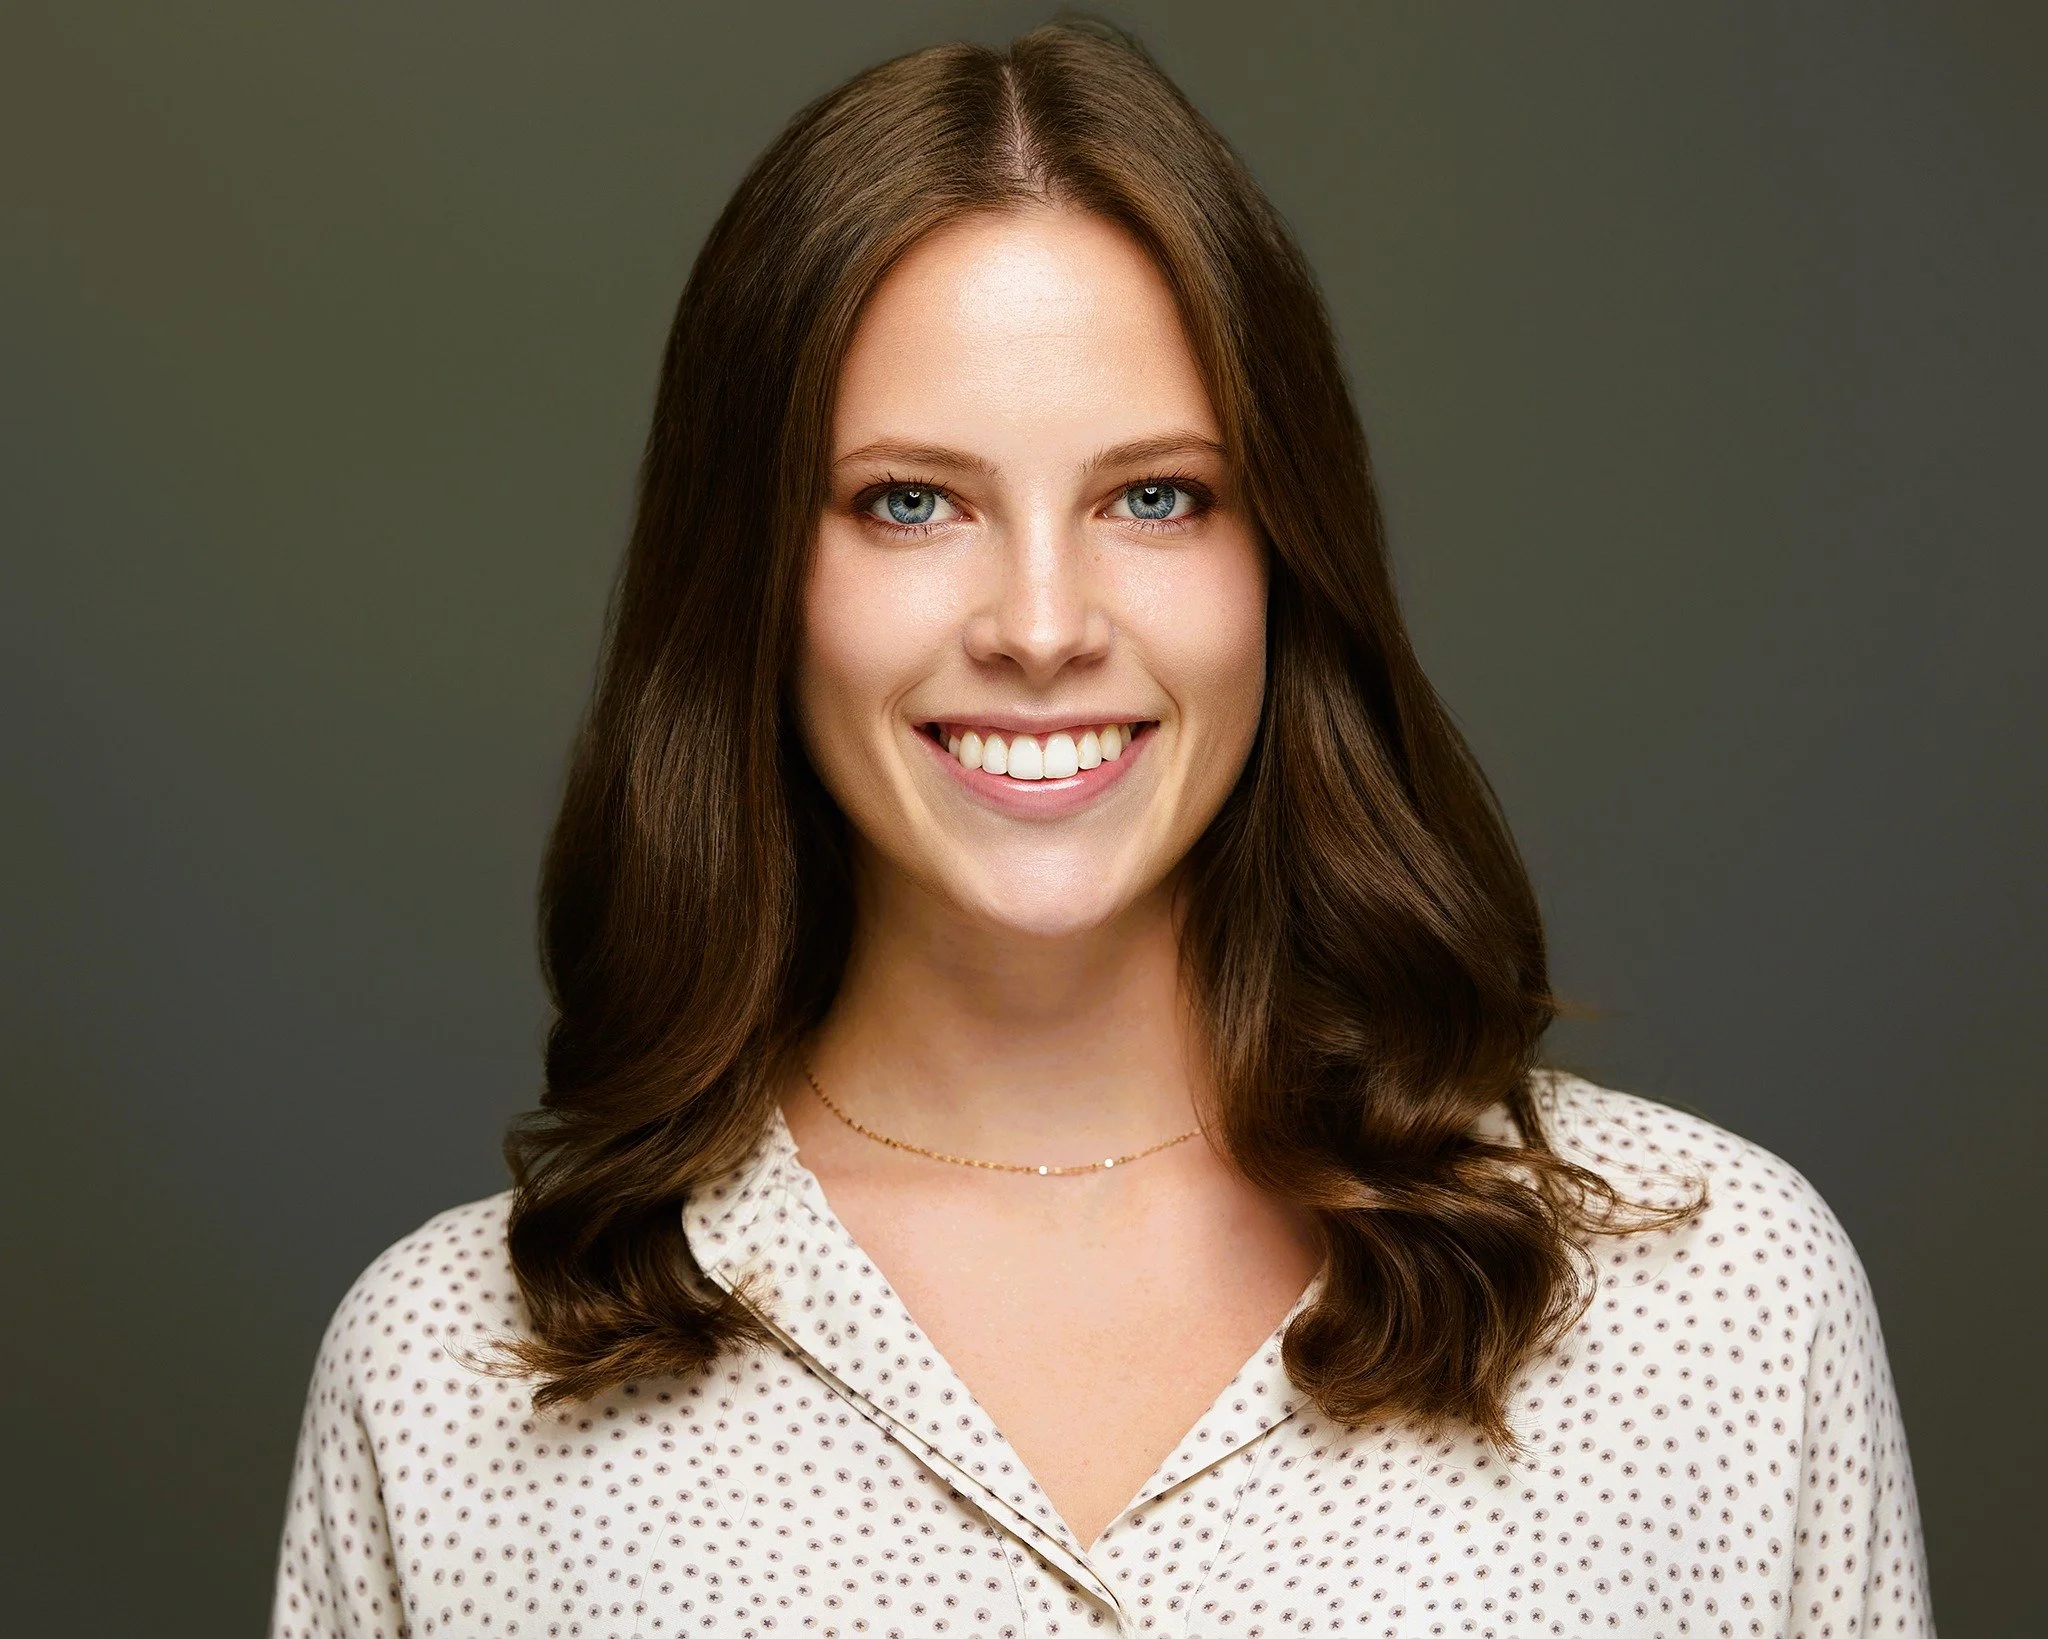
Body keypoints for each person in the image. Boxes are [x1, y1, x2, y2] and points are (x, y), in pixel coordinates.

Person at [271, 22, 1928, 1638]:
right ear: (753, 575)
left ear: (1283, 558)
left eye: (1155, 497)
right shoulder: (447, 1379)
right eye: (910, 501)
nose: (1044, 625)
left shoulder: (1721, 1302)